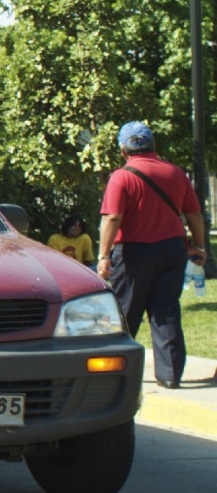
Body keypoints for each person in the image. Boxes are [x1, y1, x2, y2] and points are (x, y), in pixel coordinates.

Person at [98, 121, 208, 388]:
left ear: (123, 149)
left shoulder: (122, 177)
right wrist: (201, 247)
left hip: (134, 252)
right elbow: (193, 214)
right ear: (153, 146)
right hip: (172, 250)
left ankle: (116, 373)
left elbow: (112, 217)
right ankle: (170, 375)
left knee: (126, 311)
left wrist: (103, 256)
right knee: (166, 311)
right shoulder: (176, 173)